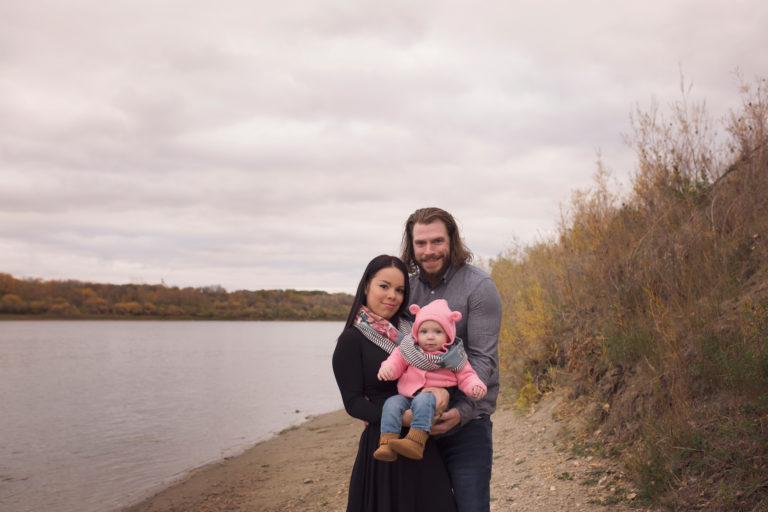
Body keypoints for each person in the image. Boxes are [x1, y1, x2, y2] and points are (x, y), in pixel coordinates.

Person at [332, 254, 458, 512]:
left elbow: (445, 368)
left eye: (400, 290)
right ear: (366, 286)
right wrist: (403, 419)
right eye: (384, 286)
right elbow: (353, 403)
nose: (392, 295)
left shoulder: (416, 332)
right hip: (384, 444)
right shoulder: (351, 340)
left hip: (423, 441)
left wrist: (443, 394)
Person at [401, 207, 503, 512]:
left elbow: (483, 360)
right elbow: (401, 352)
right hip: (416, 424)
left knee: (471, 507)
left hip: (467, 426)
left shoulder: (479, 287)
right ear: (411, 245)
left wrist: (460, 410)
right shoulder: (406, 290)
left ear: (452, 240)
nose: (429, 251)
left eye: (437, 241)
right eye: (421, 243)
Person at [374, 298, 487, 462]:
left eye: (438, 332)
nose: (430, 337)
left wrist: (475, 386)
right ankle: (386, 443)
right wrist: (388, 370)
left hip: (435, 400)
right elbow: (395, 362)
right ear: (416, 333)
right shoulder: (408, 349)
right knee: (392, 403)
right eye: (424, 331)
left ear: (448, 334)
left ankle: (416, 441)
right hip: (407, 395)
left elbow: (467, 375)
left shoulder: (454, 356)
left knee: (424, 399)